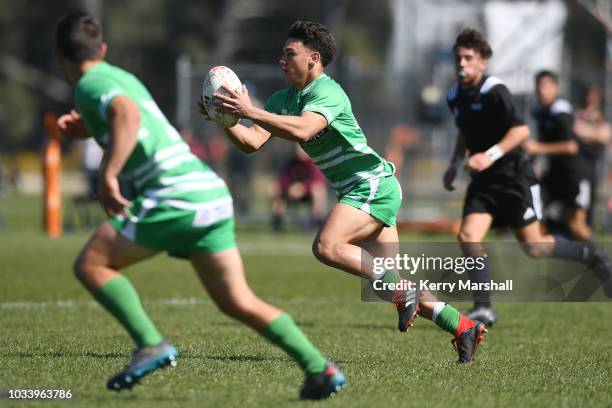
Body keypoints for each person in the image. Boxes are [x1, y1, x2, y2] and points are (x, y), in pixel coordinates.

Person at [55, 12, 345, 400]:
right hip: (209, 191)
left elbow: (127, 115)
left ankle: (149, 343)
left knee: (91, 264)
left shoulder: (90, 83)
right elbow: (130, 118)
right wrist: (87, 127)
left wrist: (109, 174)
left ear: (61, 57)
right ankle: (318, 368)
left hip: (175, 193)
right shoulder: (120, 77)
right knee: (238, 302)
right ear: (102, 50)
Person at [200, 20, 487, 364]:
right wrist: (226, 121)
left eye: (290, 53)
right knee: (388, 284)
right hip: (361, 190)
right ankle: (462, 325)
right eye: (282, 53)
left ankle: (407, 293)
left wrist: (249, 110)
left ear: (313, 58)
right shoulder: (282, 100)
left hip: (372, 184)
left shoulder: (328, 92)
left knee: (328, 247)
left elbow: (306, 130)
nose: (282, 59)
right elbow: (251, 143)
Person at [443, 28, 612, 325]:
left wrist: (489, 155)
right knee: (468, 236)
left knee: (535, 247)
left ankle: (591, 256)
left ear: (482, 62)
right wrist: (454, 164)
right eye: (458, 57)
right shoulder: (455, 94)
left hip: (513, 179)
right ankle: (483, 307)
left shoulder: (495, 90)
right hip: (484, 183)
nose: (461, 63)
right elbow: (464, 131)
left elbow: (521, 131)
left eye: (468, 58)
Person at [524, 71, 592, 240]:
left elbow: (571, 147)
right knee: (534, 212)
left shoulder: (561, 111)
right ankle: (559, 248)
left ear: (556, 88)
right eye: (539, 86)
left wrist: (538, 148)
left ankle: (600, 260)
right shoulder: (539, 111)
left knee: (577, 225)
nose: (542, 90)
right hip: (555, 175)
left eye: (547, 86)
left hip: (575, 175)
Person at [573, 84, 611, 226]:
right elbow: (576, 129)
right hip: (580, 162)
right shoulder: (579, 113)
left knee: (593, 195)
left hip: (595, 162)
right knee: (581, 196)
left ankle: (588, 225)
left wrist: (587, 133)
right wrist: (594, 133)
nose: (591, 98)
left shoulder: (601, 116)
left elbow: (605, 135)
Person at [270, 145, 328, 232]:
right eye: (298, 148)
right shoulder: (292, 162)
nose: (299, 151)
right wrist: (289, 188)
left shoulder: (314, 162)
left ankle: (315, 222)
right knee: (275, 189)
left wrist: (303, 187)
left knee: (318, 190)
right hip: (291, 192)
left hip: (308, 194)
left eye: (302, 148)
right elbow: (283, 179)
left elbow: (319, 181)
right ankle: (277, 224)